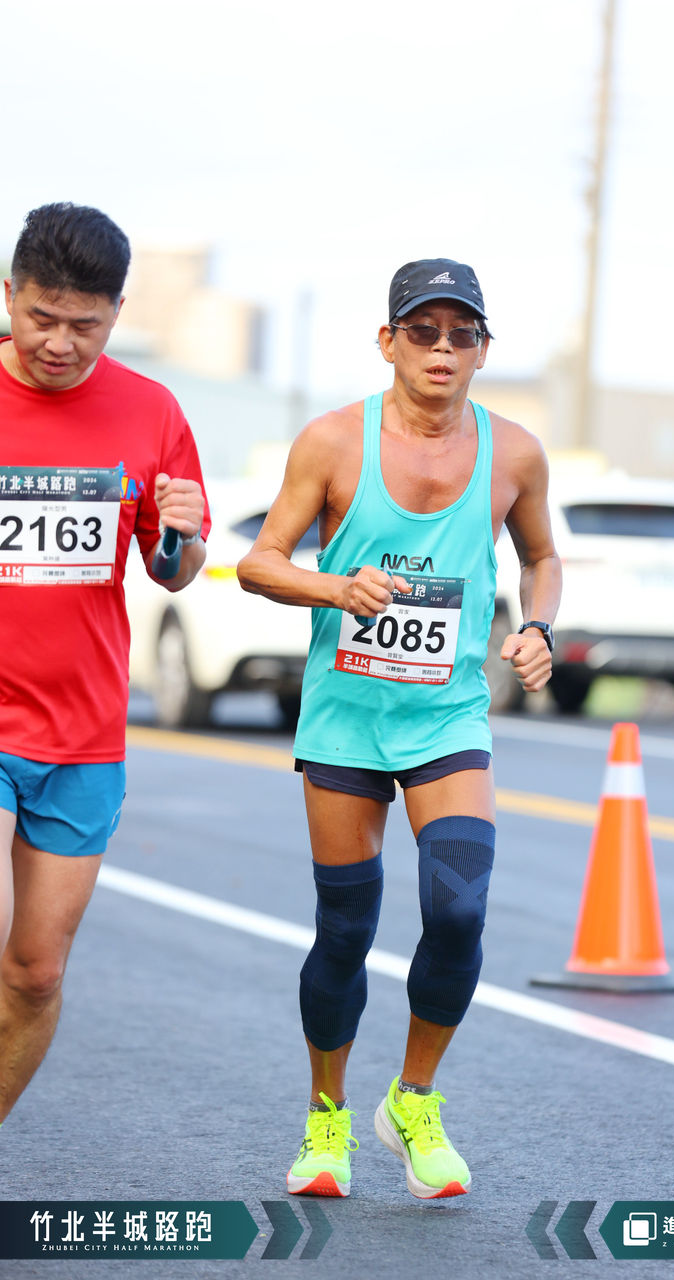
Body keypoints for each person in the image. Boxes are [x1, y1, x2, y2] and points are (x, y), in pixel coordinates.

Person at [237, 258, 561, 1200]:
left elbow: (541, 558)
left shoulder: (515, 454)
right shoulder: (333, 441)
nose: (441, 349)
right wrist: (335, 587)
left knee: (458, 912)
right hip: (345, 718)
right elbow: (259, 562)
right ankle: (325, 1118)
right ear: (388, 342)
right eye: (422, 331)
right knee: (346, 927)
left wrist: (539, 627)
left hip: (446, 716)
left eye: (462, 334)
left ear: (483, 350)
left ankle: (412, 1100)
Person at [0, 203, 210, 1127]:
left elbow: (173, 568)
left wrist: (181, 536)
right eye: (41, 317)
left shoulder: (150, 410)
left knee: (34, 974)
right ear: (10, 294)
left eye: (84, 325)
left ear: (117, 312)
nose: (59, 343)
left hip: (80, 733)